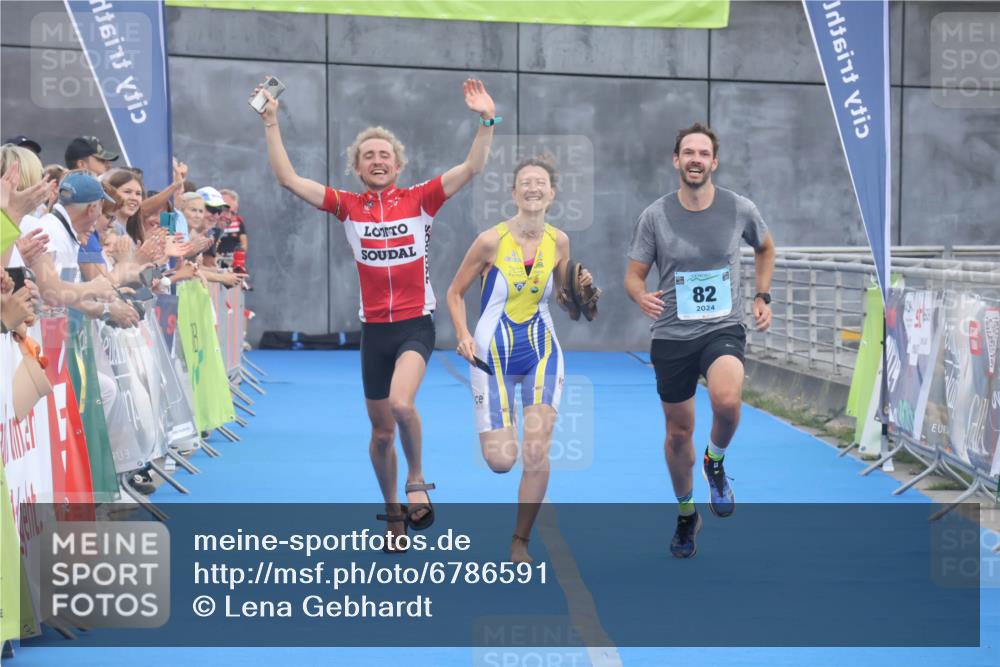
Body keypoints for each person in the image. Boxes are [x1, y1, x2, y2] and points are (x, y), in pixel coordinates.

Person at [255, 77, 497, 548]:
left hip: (414, 326)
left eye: (385, 154)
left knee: (402, 404)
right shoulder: (348, 207)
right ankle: (392, 514)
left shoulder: (421, 199)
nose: (378, 160)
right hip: (374, 333)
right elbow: (287, 178)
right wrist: (270, 123)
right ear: (358, 168)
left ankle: (419, 479)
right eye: (369, 155)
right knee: (382, 433)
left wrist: (486, 120)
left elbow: (471, 167)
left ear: (398, 164)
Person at [625, 122, 775, 559]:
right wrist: (640, 295)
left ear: (714, 161)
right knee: (677, 435)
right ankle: (687, 513)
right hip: (672, 333)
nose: (695, 159)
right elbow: (634, 274)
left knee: (727, 401)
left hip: (721, 327)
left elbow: (766, 248)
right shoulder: (654, 215)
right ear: (676, 161)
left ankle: (715, 461)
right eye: (687, 152)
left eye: (703, 153)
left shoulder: (739, 208)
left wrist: (763, 296)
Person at [446, 156, 591, 563]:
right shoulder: (490, 241)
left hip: (542, 351)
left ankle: (520, 542)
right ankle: (497, 418)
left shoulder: (559, 241)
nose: (533, 188)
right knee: (501, 460)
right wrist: (461, 335)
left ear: (552, 193)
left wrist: (581, 291)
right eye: (525, 182)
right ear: (513, 193)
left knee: (535, 450)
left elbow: (564, 298)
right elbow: (454, 292)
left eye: (540, 182)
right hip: (490, 355)